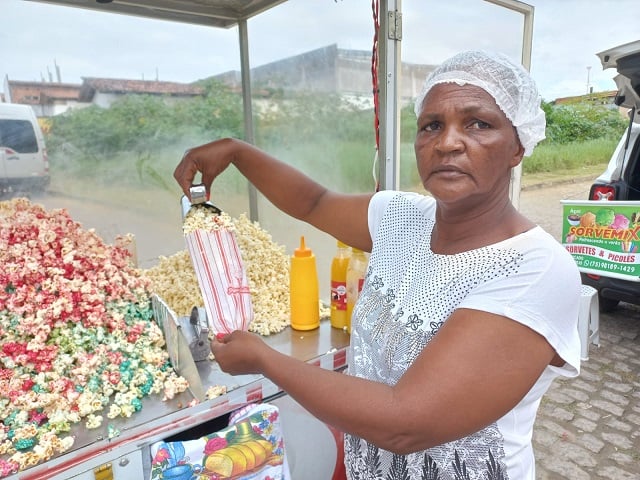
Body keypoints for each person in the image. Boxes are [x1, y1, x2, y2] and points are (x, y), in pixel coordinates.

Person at [174, 50, 581, 479]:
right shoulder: (401, 218)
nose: (447, 142)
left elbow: (406, 422)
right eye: (431, 126)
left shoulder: (533, 270)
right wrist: (237, 152)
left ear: (518, 145)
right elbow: (315, 202)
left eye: (478, 123)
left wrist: (264, 359)